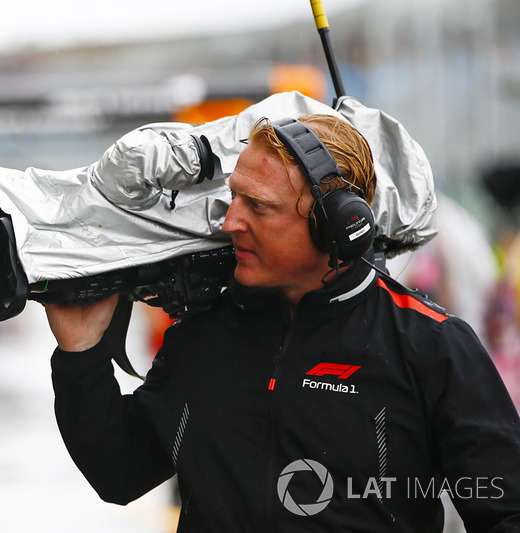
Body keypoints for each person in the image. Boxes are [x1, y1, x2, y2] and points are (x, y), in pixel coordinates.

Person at [44, 114, 520, 531]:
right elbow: (119, 472)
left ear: (334, 224)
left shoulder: (429, 345)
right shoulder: (203, 335)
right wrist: (80, 353)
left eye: (259, 206)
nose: (231, 222)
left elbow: (504, 511)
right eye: (234, 198)